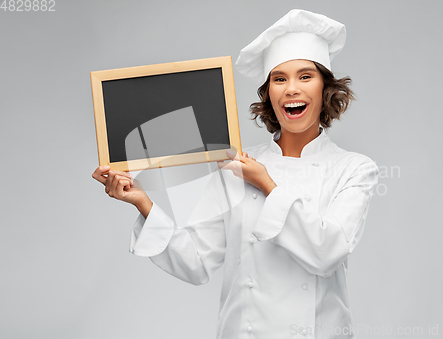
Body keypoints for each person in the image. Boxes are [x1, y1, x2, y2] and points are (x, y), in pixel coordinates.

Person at [92, 9, 379, 339]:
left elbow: (326, 252)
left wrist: (266, 184)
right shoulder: (237, 167)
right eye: (279, 78)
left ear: (325, 88)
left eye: (305, 76)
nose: (291, 89)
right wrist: (142, 201)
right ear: (269, 95)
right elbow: (196, 261)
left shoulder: (354, 169)